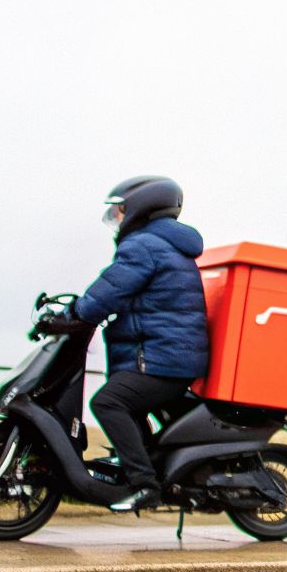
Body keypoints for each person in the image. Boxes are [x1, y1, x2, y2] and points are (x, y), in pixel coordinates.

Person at [55, 176, 210, 512]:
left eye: (122, 211)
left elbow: (110, 290)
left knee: (110, 402)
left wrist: (75, 312)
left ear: (143, 208)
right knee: (127, 405)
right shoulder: (163, 244)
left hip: (162, 360)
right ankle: (142, 470)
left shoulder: (143, 246)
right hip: (165, 357)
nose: (118, 219)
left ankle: (144, 486)